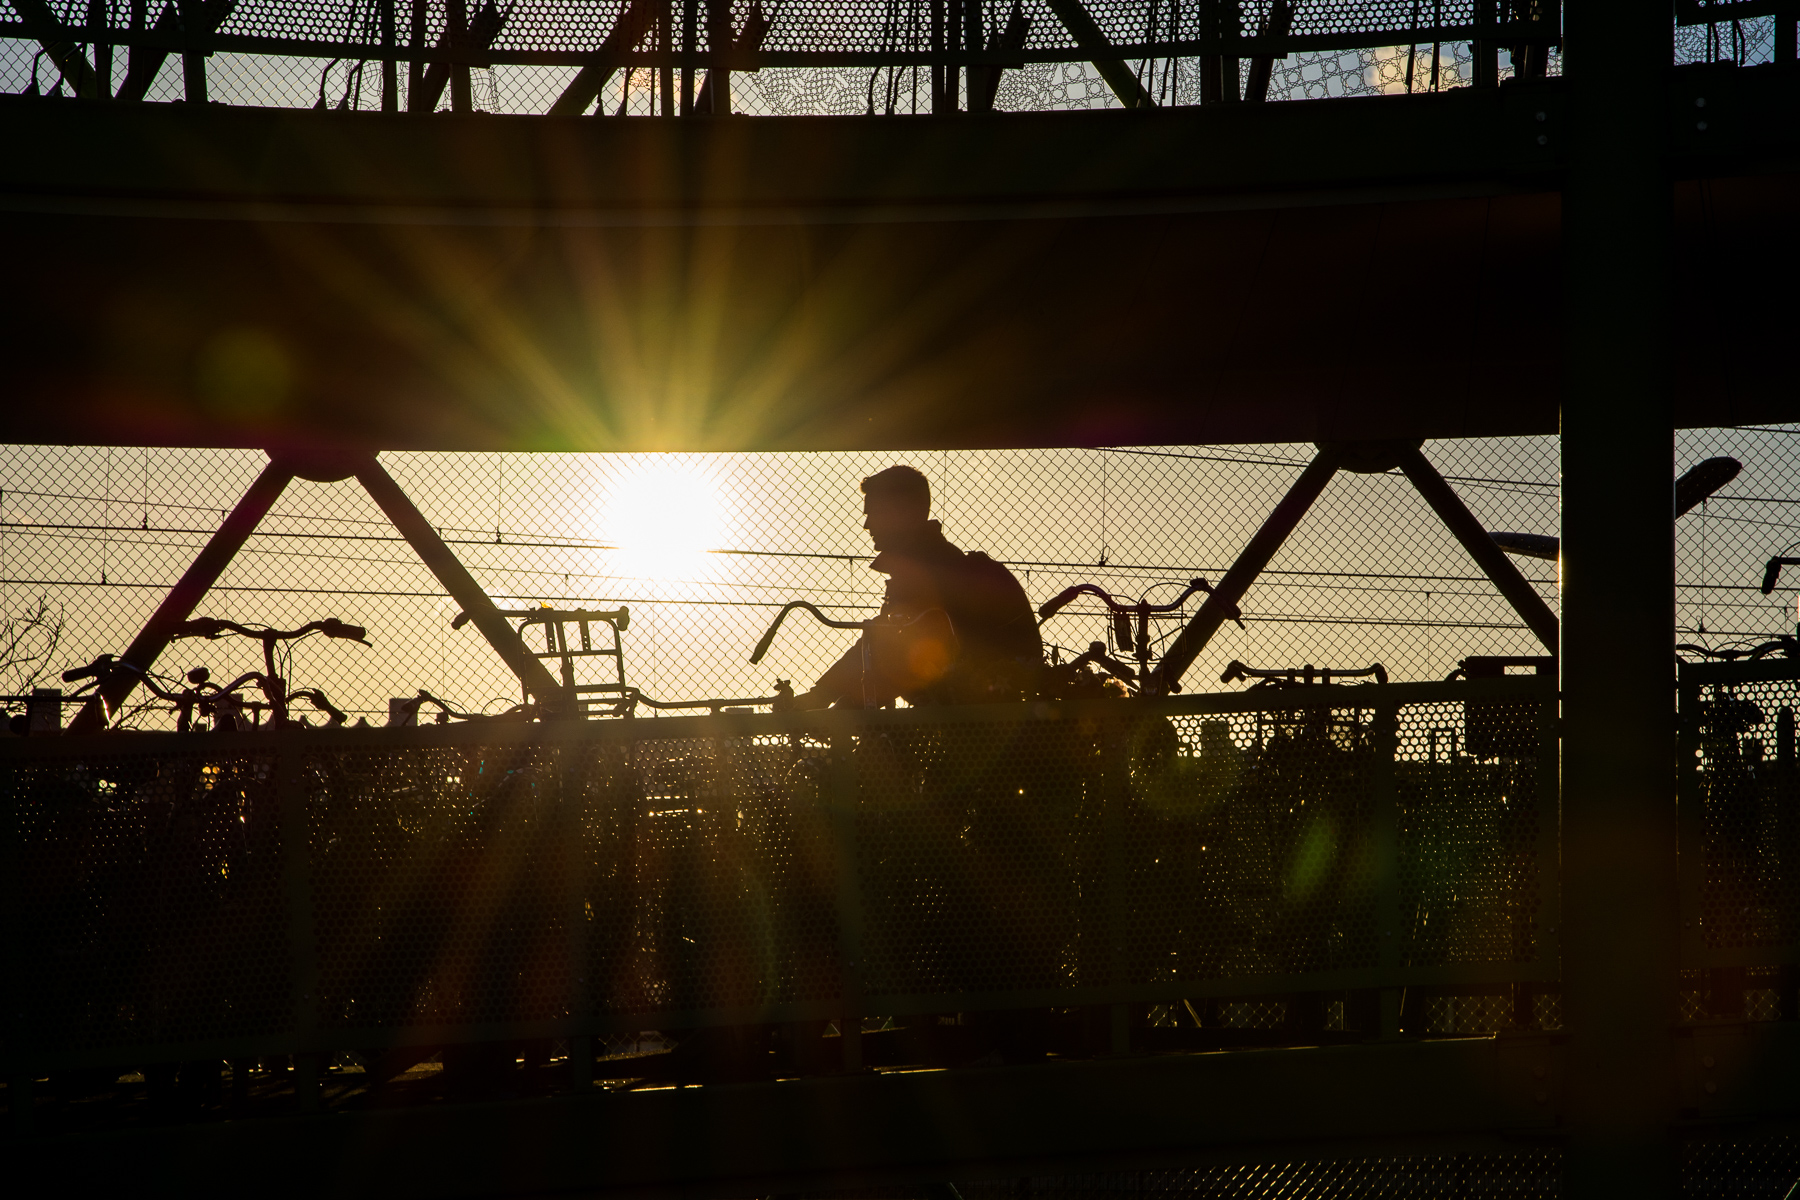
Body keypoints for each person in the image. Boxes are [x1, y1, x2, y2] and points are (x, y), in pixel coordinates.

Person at [792, 465, 1041, 708]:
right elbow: (880, 646)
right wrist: (825, 699)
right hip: (976, 712)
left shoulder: (931, 571)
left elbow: (894, 655)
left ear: (904, 513)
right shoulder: (929, 564)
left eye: (874, 513)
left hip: (974, 721)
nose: (866, 525)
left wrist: (831, 706)